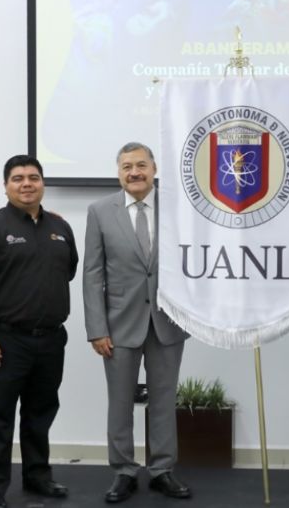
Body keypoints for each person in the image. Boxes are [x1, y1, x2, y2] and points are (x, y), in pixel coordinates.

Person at [0, 155, 78, 508]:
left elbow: (69, 271)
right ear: (5, 185)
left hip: (51, 338)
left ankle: (38, 476)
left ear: (42, 182)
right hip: (5, 341)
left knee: (40, 412)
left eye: (33, 177)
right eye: (17, 178)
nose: (26, 184)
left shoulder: (60, 228)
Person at [82, 142, 192, 502]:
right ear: (119, 172)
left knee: (163, 400)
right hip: (117, 326)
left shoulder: (179, 208)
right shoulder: (100, 211)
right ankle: (124, 471)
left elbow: (194, 263)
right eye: (127, 166)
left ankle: (162, 470)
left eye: (141, 165)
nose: (134, 172)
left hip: (168, 323)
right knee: (120, 402)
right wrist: (97, 329)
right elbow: (93, 274)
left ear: (155, 168)